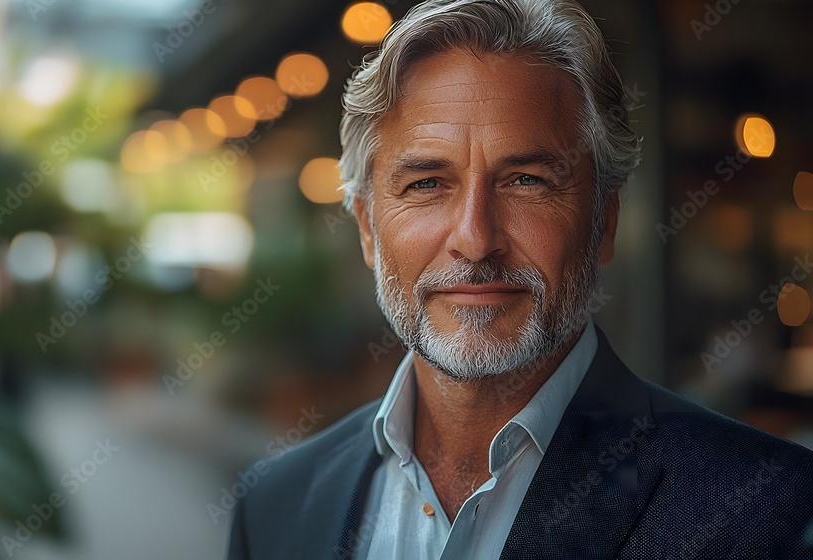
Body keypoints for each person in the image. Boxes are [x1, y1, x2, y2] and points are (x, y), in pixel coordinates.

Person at [227, 0, 813, 558]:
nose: (476, 239)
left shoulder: (771, 512)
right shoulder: (275, 506)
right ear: (367, 231)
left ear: (604, 221)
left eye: (527, 180)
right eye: (427, 184)